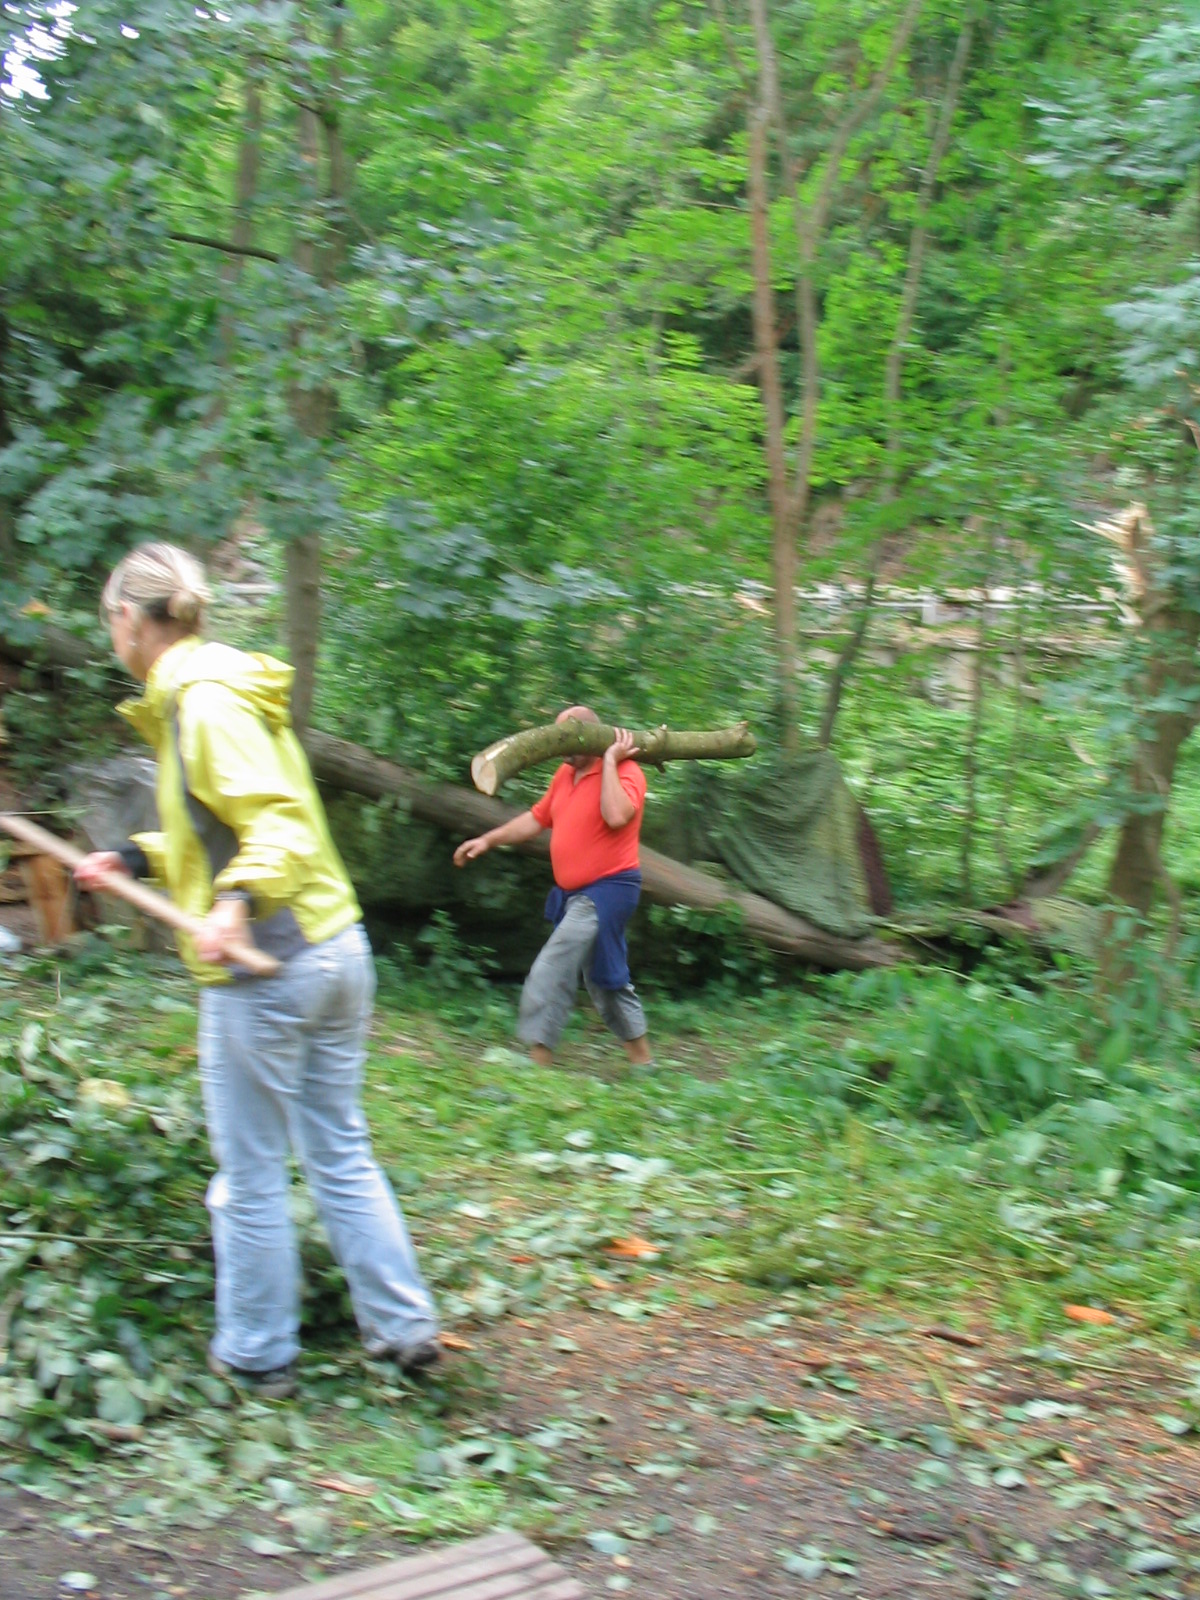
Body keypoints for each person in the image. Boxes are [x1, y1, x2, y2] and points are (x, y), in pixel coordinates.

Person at [74, 542, 439, 1398]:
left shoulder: (202, 703)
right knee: (338, 1148)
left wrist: (235, 904)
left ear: (129, 619)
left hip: (273, 968)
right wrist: (135, 857)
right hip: (332, 948)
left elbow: (274, 823)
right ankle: (403, 1328)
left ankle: (257, 1352)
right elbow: (218, 824)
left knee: (251, 1175)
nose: (113, 638)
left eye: (110, 622)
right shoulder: (219, 687)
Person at [454, 706, 653, 1066]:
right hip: (575, 895)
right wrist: (488, 840)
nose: (561, 749)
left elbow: (616, 815)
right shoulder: (565, 775)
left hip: (610, 889)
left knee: (553, 964)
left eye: (568, 740)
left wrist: (610, 761)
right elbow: (537, 818)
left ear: (590, 738)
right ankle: (643, 1063)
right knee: (604, 978)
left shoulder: (628, 771)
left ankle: (538, 1060)